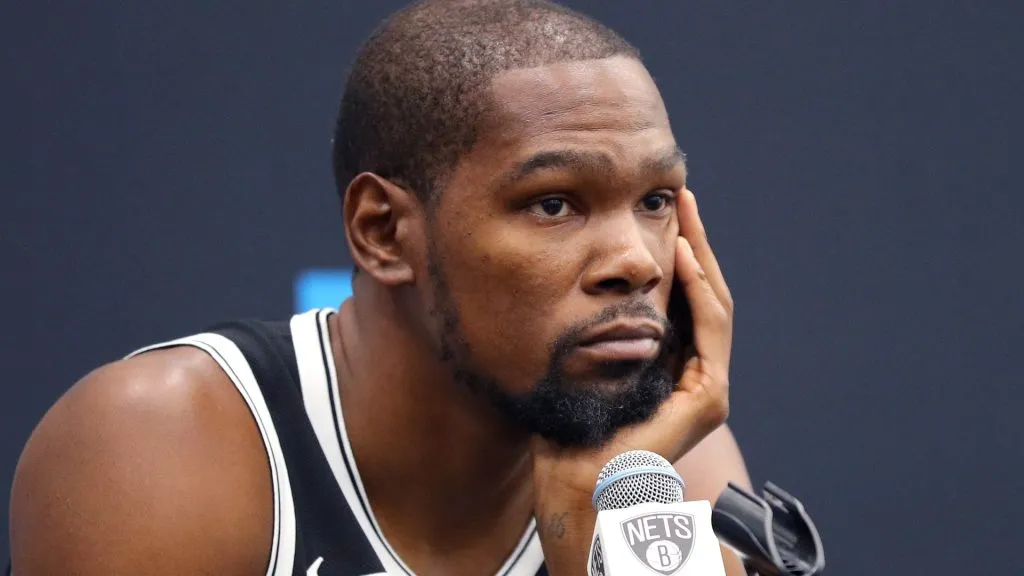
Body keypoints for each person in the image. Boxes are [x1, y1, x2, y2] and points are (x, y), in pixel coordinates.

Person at [8, 0, 751, 574]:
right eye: (553, 203)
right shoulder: (163, 446)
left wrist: (588, 532)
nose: (637, 261)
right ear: (383, 231)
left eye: (656, 200)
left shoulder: (668, 465)